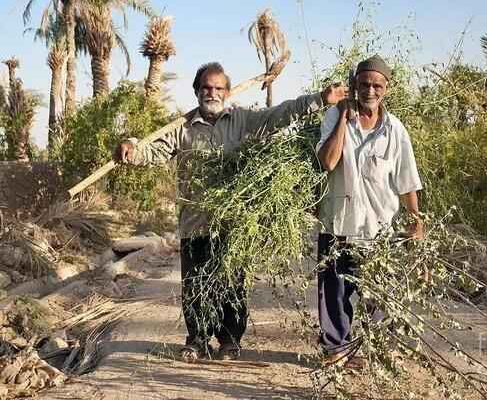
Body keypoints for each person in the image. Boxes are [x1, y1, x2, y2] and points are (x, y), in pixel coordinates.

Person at [115, 62, 347, 361]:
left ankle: (229, 341)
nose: (211, 92)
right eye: (206, 88)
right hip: (195, 222)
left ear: (226, 91)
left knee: (232, 284)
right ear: (197, 91)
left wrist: (318, 99)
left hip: (233, 224)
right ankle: (197, 340)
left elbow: (279, 115)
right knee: (195, 283)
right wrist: (130, 147)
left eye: (218, 88)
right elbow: (151, 151)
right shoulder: (181, 129)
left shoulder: (241, 120)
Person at [316, 54, 424, 366]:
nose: (370, 91)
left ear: (386, 88)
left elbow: (407, 179)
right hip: (338, 222)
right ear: (353, 86)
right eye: (364, 84)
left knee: (377, 295)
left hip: (379, 229)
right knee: (334, 294)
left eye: (377, 85)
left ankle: (373, 350)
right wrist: (342, 121)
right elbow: (328, 162)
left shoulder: (395, 130)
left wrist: (416, 219)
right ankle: (337, 351)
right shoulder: (334, 117)